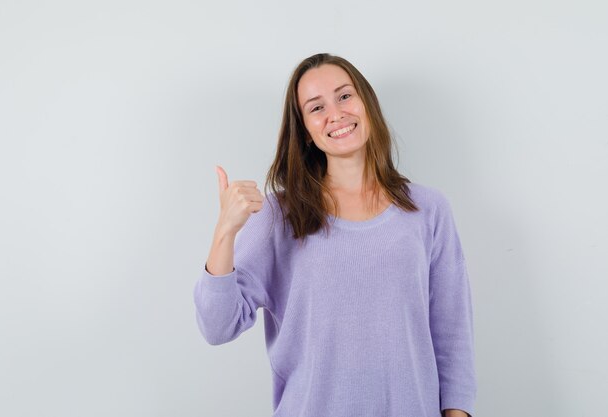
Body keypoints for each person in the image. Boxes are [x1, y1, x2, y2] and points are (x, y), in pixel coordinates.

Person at [194, 52, 477, 417]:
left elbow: (452, 333)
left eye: (344, 96)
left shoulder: (428, 209)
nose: (336, 114)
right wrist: (225, 231)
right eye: (316, 108)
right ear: (306, 132)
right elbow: (217, 326)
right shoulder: (281, 215)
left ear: (366, 103)